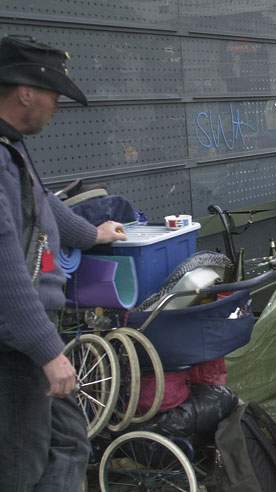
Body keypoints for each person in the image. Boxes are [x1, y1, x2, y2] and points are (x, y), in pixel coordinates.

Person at [0, 35, 128, 490]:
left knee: (71, 440)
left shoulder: (13, 147)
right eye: (53, 92)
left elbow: (44, 203)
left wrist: (93, 233)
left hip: (32, 334)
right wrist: (48, 351)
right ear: (25, 91)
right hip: (17, 344)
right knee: (21, 464)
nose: (57, 104)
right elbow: (5, 268)